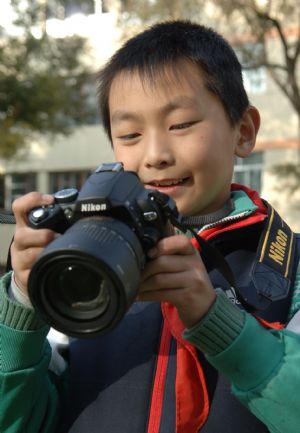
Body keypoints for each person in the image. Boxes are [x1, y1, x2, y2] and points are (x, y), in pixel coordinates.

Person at [0, 19, 300, 433]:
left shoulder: (291, 269)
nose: (155, 154)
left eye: (181, 125)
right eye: (130, 133)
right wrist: (21, 305)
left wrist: (216, 320)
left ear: (244, 131)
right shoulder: (80, 270)